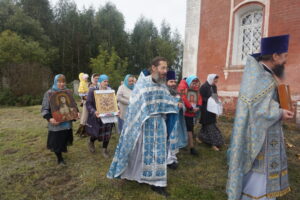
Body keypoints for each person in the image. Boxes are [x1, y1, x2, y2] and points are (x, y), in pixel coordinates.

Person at [227, 35, 294, 200]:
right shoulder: (261, 77)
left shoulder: (261, 74)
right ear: (275, 56)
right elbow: (257, 110)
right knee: (258, 178)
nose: (285, 60)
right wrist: (280, 112)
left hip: (265, 132)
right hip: (259, 138)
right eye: (284, 56)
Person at [107, 57, 179, 197]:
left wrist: (175, 104)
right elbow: (135, 105)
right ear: (153, 68)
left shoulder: (162, 85)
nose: (165, 71)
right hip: (143, 125)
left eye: (166, 68)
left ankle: (157, 183)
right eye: (163, 68)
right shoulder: (142, 84)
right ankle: (134, 175)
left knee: (158, 155)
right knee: (138, 152)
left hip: (159, 125)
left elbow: (167, 102)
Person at [41, 74, 79, 165]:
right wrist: (50, 119)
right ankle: (59, 158)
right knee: (57, 142)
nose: (61, 84)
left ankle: (62, 151)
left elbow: (73, 105)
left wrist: (76, 113)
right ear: (55, 82)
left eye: (63, 81)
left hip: (66, 122)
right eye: (59, 82)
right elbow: (44, 109)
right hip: (56, 123)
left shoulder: (68, 92)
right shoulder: (49, 93)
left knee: (64, 139)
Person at [85, 74, 114, 158]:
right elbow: (88, 104)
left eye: (107, 81)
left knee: (107, 134)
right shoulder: (93, 90)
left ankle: (104, 149)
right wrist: (94, 112)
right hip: (97, 117)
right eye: (105, 81)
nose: (106, 83)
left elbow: (113, 103)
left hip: (109, 116)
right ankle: (91, 142)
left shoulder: (110, 91)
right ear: (100, 82)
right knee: (96, 133)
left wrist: (117, 110)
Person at [165, 70, 188, 169]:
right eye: (171, 81)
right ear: (166, 82)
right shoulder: (164, 93)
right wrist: (175, 105)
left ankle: (172, 158)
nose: (173, 84)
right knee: (167, 140)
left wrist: (181, 106)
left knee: (174, 141)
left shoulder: (177, 94)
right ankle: (168, 160)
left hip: (176, 122)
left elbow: (183, 107)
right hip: (167, 121)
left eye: (174, 81)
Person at [177, 75, 202, 155]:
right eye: (193, 83)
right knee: (185, 128)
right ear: (189, 82)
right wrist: (191, 107)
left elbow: (199, 96)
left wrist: (198, 106)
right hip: (183, 112)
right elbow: (183, 98)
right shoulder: (182, 86)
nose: (194, 85)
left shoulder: (193, 87)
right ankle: (189, 146)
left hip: (191, 112)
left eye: (196, 83)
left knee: (189, 128)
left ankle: (190, 146)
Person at [199, 74, 224, 151]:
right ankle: (214, 143)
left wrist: (217, 104)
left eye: (216, 81)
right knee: (210, 126)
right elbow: (200, 98)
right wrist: (209, 101)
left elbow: (215, 96)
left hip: (212, 109)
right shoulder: (204, 87)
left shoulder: (214, 87)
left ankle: (199, 137)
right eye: (214, 81)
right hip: (205, 110)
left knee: (205, 125)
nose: (215, 82)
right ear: (210, 79)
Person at [76, 73, 91, 137]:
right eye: (85, 78)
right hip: (86, 101)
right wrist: (85, 96)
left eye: (87, 78)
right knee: (84, 117)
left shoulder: (87, 83)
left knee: (88, 117)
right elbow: (81, 93)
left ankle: (88, 131)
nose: (86, 79)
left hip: (90, 101)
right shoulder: (81, 83)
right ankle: (81, 132)